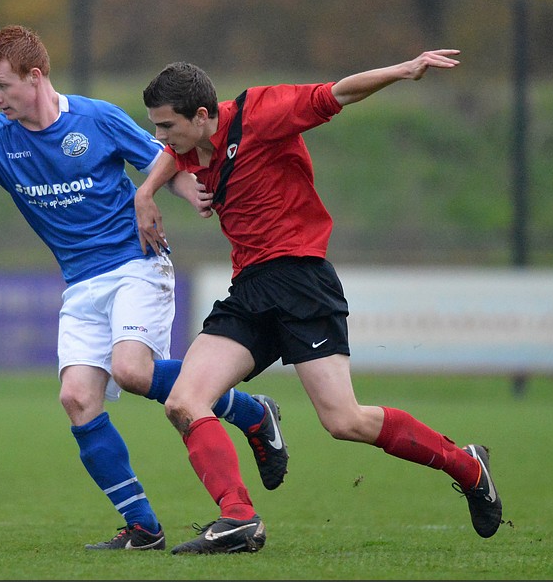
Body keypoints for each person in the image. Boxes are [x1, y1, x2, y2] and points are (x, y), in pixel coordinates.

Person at [0, 25, 290, 551]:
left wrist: (188, 193)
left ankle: (250, 414)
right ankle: (143, 527)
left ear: (34, 77)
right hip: (80, 285)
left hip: (137, 265)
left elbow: (164, 158)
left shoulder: (96, 118)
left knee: (132, 371)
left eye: (2, 87)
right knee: (77, 399)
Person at [134, 49, 503, 555]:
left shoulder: (264, 112)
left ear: (202, 115)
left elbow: (340, 92)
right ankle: (239, 518)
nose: (160, 137)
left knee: (343, 421)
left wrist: (402, 70)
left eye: (166, 126)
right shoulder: (188, 141)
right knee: (183, 401)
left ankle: (467, 465)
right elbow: (171, 154)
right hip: (250, 289)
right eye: (155, 127)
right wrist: (146, 191)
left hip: (302, 280)